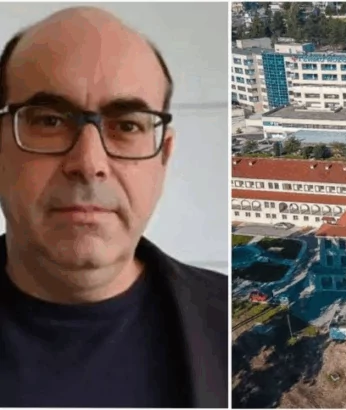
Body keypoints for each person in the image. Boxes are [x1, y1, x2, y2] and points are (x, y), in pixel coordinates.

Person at [0, 6, 227, 408]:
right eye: (49, 121)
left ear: (163, 157)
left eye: (126, 126)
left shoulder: (227, 323)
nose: (89, 164)